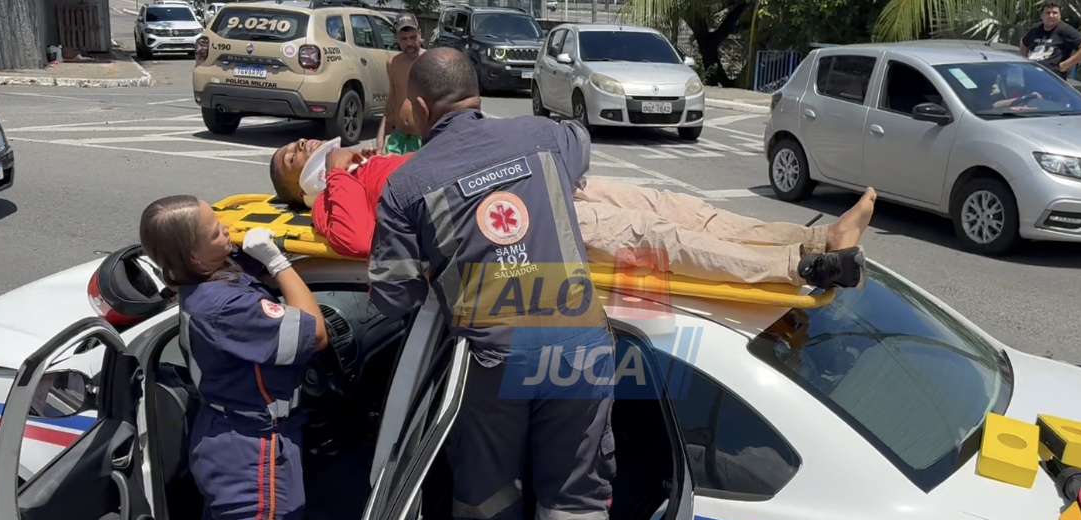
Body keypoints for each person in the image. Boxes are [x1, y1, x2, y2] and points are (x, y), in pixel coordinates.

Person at [138, 196, 329, 520]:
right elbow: (318, 332)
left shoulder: (206, 280)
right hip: (255, 455)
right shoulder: (224, 304)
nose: (227, 230)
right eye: (215, 230)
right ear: (196, 258)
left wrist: (255, 255)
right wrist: (280, 263)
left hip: (222, 441)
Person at [268, 137, 874, 288]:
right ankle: (803, 265)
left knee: (669, 203)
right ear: (299, 186)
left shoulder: (368, 162)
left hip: (526, 176)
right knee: (650, 234)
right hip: (507, 213)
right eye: (289, 158)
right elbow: (357, 241)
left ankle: (815, 236)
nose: (299, 148)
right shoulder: (330, 197)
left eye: (296, 144)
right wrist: (342, 175)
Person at [374, 13, 426, 155]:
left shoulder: (430, 61)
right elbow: (392, 100)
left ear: (420, 34)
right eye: (404, 39)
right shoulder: (393, 63)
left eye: (413, 37)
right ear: (396, 38)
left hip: (422, 140)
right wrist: (380, 138)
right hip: (398, 139)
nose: (409, 43)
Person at [1019, 2, 1081, 78]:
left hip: (1052, 80)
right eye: (1048, 13)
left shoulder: (1065, 30)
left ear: (1060, 15)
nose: (1051, 16)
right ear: (1041, 15)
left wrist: (1066, 64)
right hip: (1031, 76)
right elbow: (1024, 43)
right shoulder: (1035, 29)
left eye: (1055, 13)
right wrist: (1025, 61)